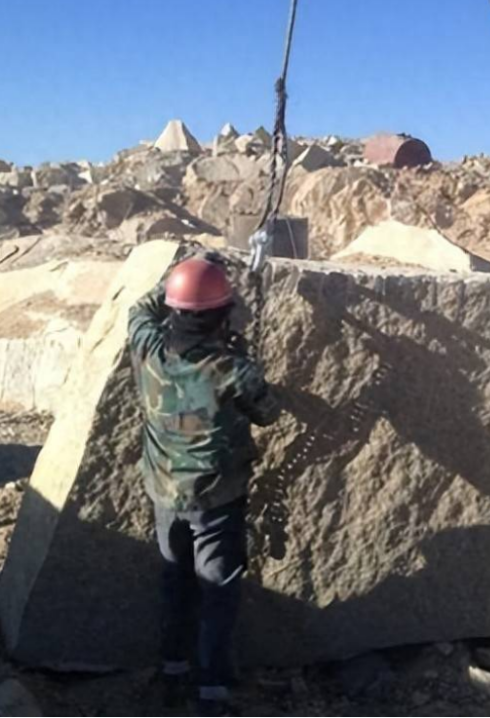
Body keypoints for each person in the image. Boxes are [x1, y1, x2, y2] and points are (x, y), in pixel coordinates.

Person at [127, 255, 280, 717]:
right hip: (217, 500)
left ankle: (172, 670)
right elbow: (268, 413)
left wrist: (178, 275)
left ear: (175, 311)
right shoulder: (234, 370)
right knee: (217, 591)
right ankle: (211, 690)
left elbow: (139, 309)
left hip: (164, 492)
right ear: (221, 315)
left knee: (175, 581)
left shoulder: (148, 348)